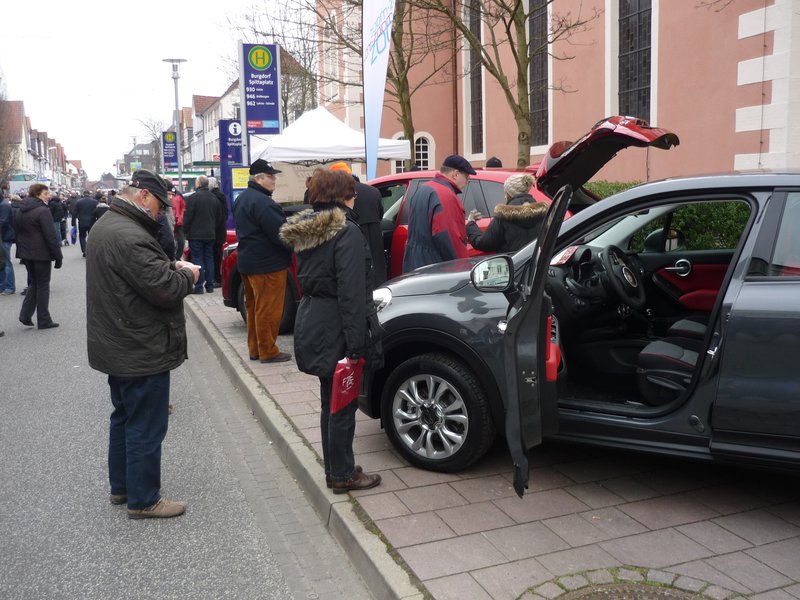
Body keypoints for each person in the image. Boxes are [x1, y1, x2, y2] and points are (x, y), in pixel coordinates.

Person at [85, 169, 200, 520]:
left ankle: (122, 487)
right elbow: (165, 289)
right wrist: (186, 274)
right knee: (146, 424)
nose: (160, 213)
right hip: (139, 344)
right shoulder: (130, 235)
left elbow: (140, 274)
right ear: (144, 196)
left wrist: (168, 265)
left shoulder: (108, 225)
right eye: (159, 205)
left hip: (118, 340)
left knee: (124, 417)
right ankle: (144, 498)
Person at [279, 168, 382, 494]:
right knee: (342, 404)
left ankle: (337, 468)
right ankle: (342, 474)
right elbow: (352, 294)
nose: (356, 196)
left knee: (331, 401)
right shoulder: (345, 233)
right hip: (336, 324)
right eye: (352, 191)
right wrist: (356, 346)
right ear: (342, 195)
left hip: (315, 317)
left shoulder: (309, 230)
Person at [232, 159, 292, 363]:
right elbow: (281, 234)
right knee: (268, 309)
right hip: (268, 264)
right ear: (259, 178)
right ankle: (268, 350)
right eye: (270, 176)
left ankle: (256, 348)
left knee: (254, 307)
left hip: (248, 262)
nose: (274, 179)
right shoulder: (263, 202)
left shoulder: (242, 198)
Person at [402, 154, 476, 273]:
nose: (467, 181)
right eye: (466, 177)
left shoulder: (423, 189)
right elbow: (449, 238)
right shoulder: (445, 195)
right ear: (456, 174)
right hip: (435, 267)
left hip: (415, 264)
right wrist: (464, 268)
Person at [329, 162, 387, 286]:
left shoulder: (336, 194)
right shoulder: (373, 191)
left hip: (351, 234)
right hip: (374, 233)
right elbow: (381, 214)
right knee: (377, 266)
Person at [16, 183, 63, 329]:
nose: (49, 196)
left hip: (26, 253)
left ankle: (25, 315)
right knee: (42, 285)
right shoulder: (42, 211)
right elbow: (50, 236)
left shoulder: (20, 209)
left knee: (35, 284)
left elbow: (18, 232)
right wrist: (58, 256)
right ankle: (44, 319)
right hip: (41, 254)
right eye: (45, 193)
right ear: (37, 194)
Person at [466, 173, 546, 253]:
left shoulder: (504, 216)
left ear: (510, 194)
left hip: (514, 263)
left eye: (506, 193)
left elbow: (484, 244)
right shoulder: (544, 213)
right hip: (538, 263)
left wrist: (471, 224)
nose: (505, 196)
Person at [183, 175, 223, 293]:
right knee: (209, 258)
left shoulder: (192, 198)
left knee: (197, 259)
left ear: (199, 184)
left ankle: (199, 286)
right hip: (210, 234)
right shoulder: (214, 199)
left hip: (196, 235)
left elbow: (187, 217)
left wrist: (185, 231)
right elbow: (219, 218)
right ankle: (210, 286)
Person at [208, 176, 229, 288]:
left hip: (215, 230)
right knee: (217, 254)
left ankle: (217, 278)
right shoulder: (221, 196)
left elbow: (217, 216)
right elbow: (225, 214)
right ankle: (217, 277)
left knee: (215, 255)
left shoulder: (214, 197)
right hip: (220, 230)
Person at [72, 190, 98, 257]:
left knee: (82, 237)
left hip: (82, 222)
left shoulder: (79, 202)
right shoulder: (94, 202)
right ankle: (91, 250)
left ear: (83, 194)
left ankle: (84, 250)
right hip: (92, 221)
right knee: (91, 237)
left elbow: (74, 213)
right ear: (89, 194)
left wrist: (73, 223)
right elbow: (97, 211)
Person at [0, 192, 16, 294]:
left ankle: (9, 286)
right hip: (4, 236)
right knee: (3, 262)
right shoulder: (3, 204)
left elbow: (3, 221)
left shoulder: (4, 205)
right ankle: (3, 285)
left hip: (5, 237)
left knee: (6, 263)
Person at [170, 185, 186, 260]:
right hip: (171, 220)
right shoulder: (165, 195)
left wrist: (180, 216)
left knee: (181, 241)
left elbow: (183, 207)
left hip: (178, 221)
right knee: (171, 240)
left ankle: (177, 257)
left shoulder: (178, 195)